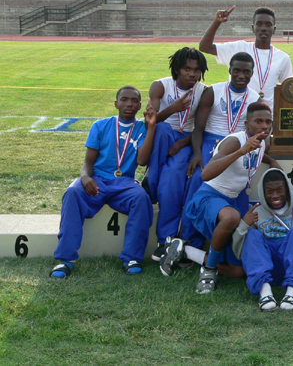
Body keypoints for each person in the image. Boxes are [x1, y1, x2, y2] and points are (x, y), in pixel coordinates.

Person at [50, 86, 157, 278]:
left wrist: (151, 127)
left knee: (141, 197)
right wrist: (85, 177)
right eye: (124, 99)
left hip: (124, 183)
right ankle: (65, 259)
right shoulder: (100, 125)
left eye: (134, 100)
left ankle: (132, 257)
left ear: (140, 105)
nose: (129, 104)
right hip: (97, 181)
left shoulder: (141, 128)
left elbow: (141, 161)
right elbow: (87, 164)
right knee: (73, 192)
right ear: (116, 104)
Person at [184, 102, 280, 294]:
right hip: (208, 197)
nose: (264, 126)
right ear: (247, 124)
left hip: (231, 201)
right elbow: (206, 174)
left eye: (268, 122)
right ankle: (208, 271)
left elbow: (258, 155)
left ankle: (184, 250)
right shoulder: (234, 142)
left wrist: (272, 161)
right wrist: (241, 151)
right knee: (232, 217)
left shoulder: (263, 142)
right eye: (258, 121)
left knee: (237, 271)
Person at [144, 47, 208, 261]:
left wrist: (181, 144)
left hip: (186, 140)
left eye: (197, 70)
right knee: (161, 130)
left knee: (171, 178)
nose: (192, 74)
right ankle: (151, 182)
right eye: (187, 69)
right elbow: (150, 124)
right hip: (162, 136)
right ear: (177, 69)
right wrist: (173, 108)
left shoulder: (203, 91)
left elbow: (201, 128)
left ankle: (166, 239)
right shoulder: (160, 85)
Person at [231, 168, 293, 311]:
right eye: (269, 191)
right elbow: (239, 251)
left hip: (291, 266)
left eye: (280, 190)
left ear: (288, 190)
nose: (275, 195)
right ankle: (265, 292)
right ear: (262, 192)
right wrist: (244, 224)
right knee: (252, 235)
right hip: (265, 266)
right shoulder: (256, 214)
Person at [199, 6, 293, 107]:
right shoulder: (238, 48)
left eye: (268, 25)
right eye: (259, 24)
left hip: (267, 117)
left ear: (274, 29)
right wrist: (217, 22)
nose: (263, 28)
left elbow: (288, 92)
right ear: (253, 28)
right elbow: (205, 47)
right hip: (237, 113)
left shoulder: (283, 58)